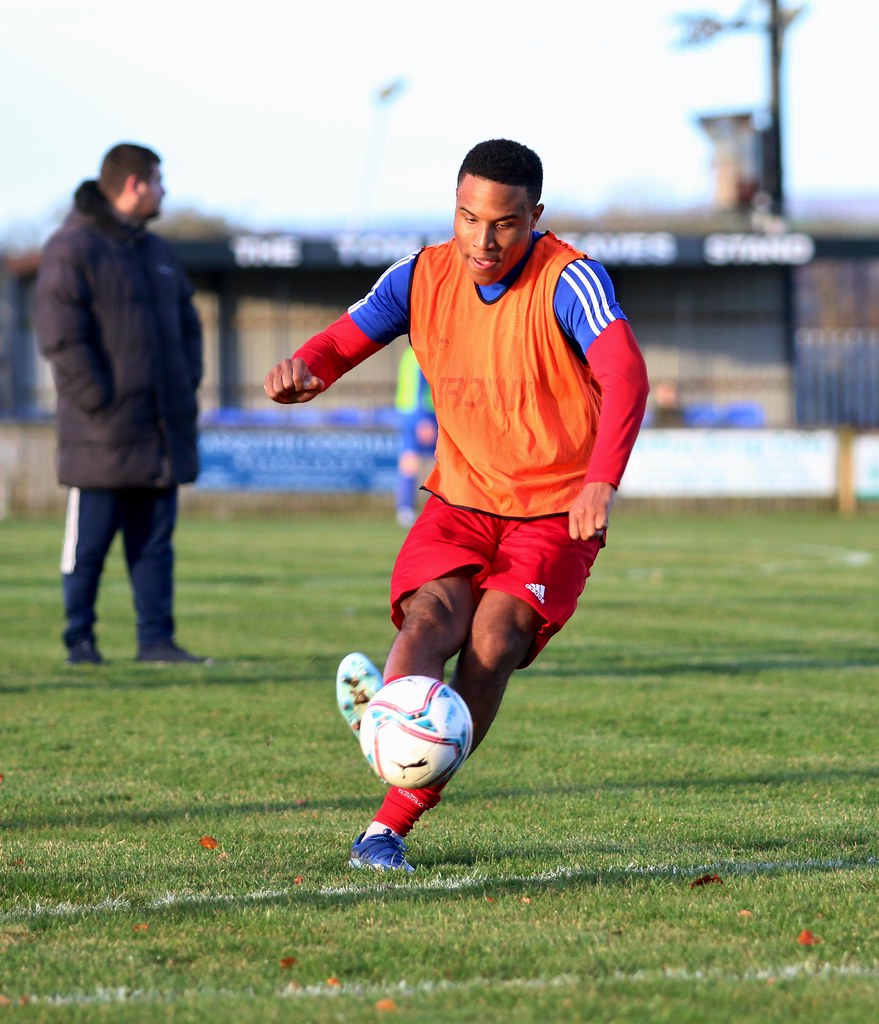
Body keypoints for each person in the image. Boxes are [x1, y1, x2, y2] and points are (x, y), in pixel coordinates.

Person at [264, 139, 649, 872]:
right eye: (467, 218)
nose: (481, 239)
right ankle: (390, 764)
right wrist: (306, 370)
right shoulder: (420, 274)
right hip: (461, 498)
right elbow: (346, 339)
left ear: (533, 216)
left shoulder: (571, 280)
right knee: (429, 619)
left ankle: (388, 809)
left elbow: (624, 375)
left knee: (495, 640)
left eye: (503, 223)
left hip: (555, 509)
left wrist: (602, 478)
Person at [35, 142, 207, 665]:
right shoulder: (72, 247)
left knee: (155, 548)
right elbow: (62, 337)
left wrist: (184, 383)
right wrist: (100, 402)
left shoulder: (156, 252)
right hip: (102, 437)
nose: (164, 191)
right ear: (135, 185)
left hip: (159, 435)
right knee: (86, 552)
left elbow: (189, 327)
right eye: (158, 180)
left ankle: (156, 642)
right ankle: (79, 642)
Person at [393, 345, 438, 527]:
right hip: (419, 415)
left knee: (409, 461)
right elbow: (418, 388)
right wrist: (423, 419)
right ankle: (408, 510)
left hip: (408, 413)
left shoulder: (409, 353)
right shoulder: (422, 351)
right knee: (417, 462)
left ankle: (406, 509)